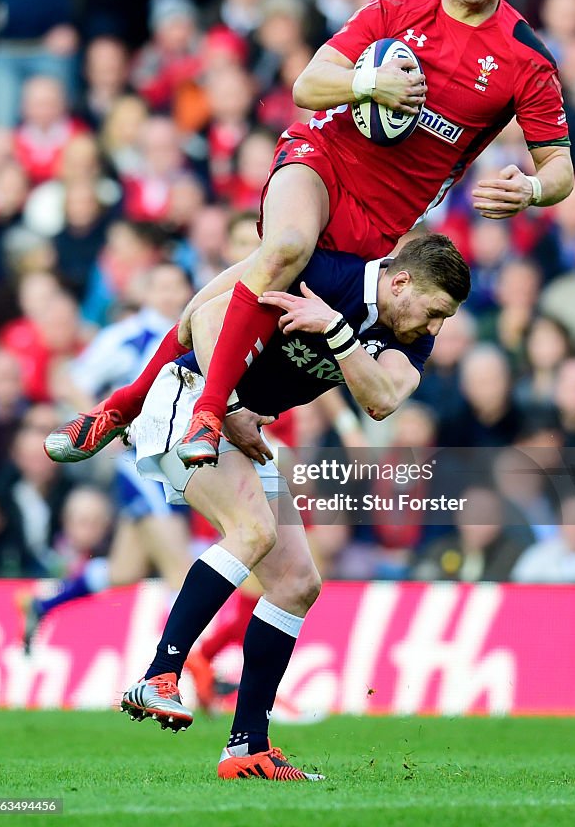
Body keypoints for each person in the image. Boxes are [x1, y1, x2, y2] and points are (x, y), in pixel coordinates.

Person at [44, 0, 573, 470]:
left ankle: (124, 404)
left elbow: (560, 170)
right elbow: (306, 86)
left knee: (238, 297)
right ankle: (208, 412)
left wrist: (533, 190)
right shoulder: (396, 7)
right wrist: (367, 87)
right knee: (287, 248)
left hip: (381, 222)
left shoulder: (527, 59)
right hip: (322, 155)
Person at [118, 235, 470, 780]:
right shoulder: (323, 270)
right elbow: (206, 318)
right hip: (192, 397)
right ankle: (159, 674)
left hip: (242, 426)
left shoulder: (404, 333)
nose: (435, 328)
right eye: (435, 312)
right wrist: (226, 403)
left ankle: (247, 749)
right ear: (400, 282)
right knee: (253, 530)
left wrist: (335, 330)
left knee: (297, 582)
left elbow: (384, 398)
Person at [20, 264, 194, 651]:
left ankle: (43, 603)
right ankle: (191, 671)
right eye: (160, 287)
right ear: (147, 294)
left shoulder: (195, 332)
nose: (168, 295)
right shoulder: (130, 336)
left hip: (177, 465)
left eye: (176, 285)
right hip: (142, 466)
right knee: (180, 570)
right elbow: (71, 381)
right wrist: (109, 426)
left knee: (124, 570)